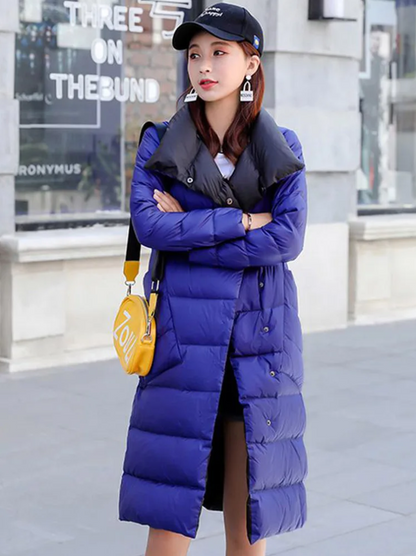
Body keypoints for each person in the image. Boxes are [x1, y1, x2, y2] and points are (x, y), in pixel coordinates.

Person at [118, 4, 308, 556]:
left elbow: (288, 238)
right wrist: (241, 221)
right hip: (182, 342)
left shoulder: (283, 147)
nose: (203, 65)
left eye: (219, 52)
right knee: (168, 519)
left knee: (248, 525)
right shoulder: (161, 142)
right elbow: (150, 226)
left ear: (251, 63)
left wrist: (191, 227)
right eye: (195, 54)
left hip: (259, 346)